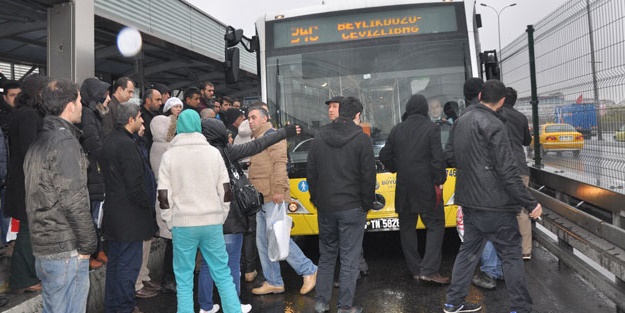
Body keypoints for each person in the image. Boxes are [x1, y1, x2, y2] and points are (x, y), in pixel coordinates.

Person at [443, 80, 542, 313]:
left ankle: (452, 302)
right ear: (502, 101)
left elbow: (450, 156)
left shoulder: (460, 121)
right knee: (510, 254)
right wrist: (530, 202)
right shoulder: (495, 125)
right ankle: (520, 307)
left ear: (479, 96)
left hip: (469, 200)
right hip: (496, 203)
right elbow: (507, 171)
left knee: (468, 252)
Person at [198, 117, 297, 313]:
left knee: (209, 263)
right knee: (232, 262)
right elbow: (258, 144)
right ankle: (233, 305)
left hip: (207, 218)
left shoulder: (199, 154)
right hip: (230, 218)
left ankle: (205, 306)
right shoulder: (227, 151)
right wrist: (285, 132)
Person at [24, 79, 97, 313]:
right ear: (69, 105)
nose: (82, 105)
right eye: (79, 100)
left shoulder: (40, 140)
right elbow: (73, 200)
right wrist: (88, 244)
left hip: (45, 246)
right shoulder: (65, 142)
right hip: (66, 248)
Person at [157, 110, 241, 313]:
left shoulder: (169, 156)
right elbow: (226, 190)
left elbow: (163, 195)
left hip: (183, 225)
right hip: (212, 222)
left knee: (184, 279)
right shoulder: (213, 153)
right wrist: (220, 214)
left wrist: (170, 221)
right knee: (222, 273)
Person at [307, 96, 375, 313]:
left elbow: (312, 173)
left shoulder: (319, 137)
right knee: (349, 258)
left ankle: (321, 302)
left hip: (326, 206)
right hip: (352, 207)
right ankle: (345, 306)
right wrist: (366, 203)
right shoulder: (362, 140)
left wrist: (316, 199)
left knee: (327, 254)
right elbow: (368, 177)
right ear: (356, 115)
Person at [247, 105, 318, 296]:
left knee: (278, 238)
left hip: (273, 196)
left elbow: (280, 164)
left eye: (254, 117)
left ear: (264, 118)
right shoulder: (258, 139)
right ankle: (274, 281)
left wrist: (279, 190)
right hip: (262, 197)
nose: (250, 121)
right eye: (248, 118)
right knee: (263, 241)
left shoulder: (274, 135)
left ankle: (309, 270)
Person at [379, 94, 449, 285]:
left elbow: (384, 155)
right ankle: (430, 270)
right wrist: (439, 179)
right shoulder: (431, 128)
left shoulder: (397, 130)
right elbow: (437, 159)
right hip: (427, 187)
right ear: (424, 110)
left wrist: (396, 167)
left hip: (404, 188)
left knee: (407, 229)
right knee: (435, 225)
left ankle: (416, 270)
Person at [472, 87, 534, 290]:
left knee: (496, 216)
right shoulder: (520, 117)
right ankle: (525, 250)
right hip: (520, 167)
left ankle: (495, 266)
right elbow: (526, 140)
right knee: (521, 212)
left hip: (497, 173)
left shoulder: (486, 117)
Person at [101, 102, 159, 313]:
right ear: (131, 119)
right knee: (127, 267)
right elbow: (135, 184)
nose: (143, 121)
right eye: (140, 117)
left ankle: (113, 306)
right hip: (130, 218)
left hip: (115, 215)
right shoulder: (126, 145)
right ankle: (124, 307)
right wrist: (146, 204)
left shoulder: (111, 141)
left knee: (116, 266)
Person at [6, 74, 48, 294]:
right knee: (27, 231)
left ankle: (25, 276)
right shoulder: (29, 116)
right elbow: (31, 151)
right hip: (27, 183)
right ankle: (24, 278)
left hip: (22, 180)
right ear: (36, 91)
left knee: (27, 229)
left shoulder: (21, 113)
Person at [77, 77, 111, 269]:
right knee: (92, 215)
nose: (107, 99)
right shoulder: (88, 115)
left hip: (96, 172)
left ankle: (98, 250)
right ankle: (90, 253)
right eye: (104, 95)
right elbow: (93, 143)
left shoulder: (95, 114)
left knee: (97, 215)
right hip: (92, 172)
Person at [149, 115, 176, 293]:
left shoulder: (155, 146)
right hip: (169, 200)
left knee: (172, 245)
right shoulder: (167, 148)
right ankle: (169, 279)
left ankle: (169, 279)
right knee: (173, 246)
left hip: (163, 198)